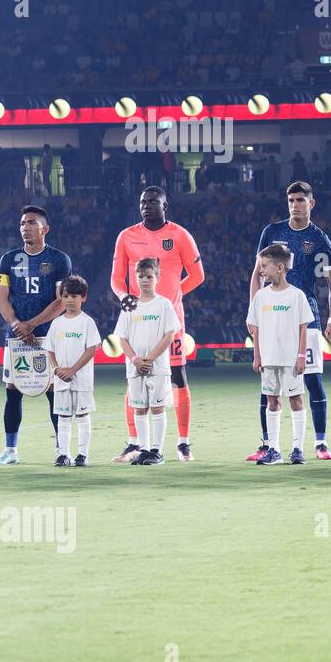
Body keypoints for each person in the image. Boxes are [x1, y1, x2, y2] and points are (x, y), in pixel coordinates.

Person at [247, 182, 331, 461]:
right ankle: (268, 445)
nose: (294, 204)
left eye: (301, 200)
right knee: (269, 382)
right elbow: (256, 274)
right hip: (271, 316)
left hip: (305, 316)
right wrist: (253, 314)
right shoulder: (272, 232)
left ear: (312, 203)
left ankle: (320, 443)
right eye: (291, 200)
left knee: (311, 380)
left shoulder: (320, 240)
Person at [110, 187, 205, 462]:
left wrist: (172, 298)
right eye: (143, 202)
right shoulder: (126, 236)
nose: (147, 206)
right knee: (135, 376)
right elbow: (116, 279)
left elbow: (198, 275)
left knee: (177, 377)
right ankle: (133, 443)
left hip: (168, 320)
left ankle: (183, 442)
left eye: (153, 202)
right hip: (137, 320)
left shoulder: (179, 235)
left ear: (166, 205)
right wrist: (124, 296)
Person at [0, 204, 71, 466]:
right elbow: (1, 299)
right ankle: (10, 451)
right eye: (23, 223)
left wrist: (32, 325)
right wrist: (17, 324)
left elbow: (61, 301)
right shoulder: (7, 259)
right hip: (16, 337)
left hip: (48, 336)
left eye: (31, 223)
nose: (25, 227)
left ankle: (62, 450)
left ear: (45, 228)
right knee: (12, 391)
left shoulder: (60, 259)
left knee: (52, 391)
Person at [246, 244, 313, 466]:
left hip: (290, 359)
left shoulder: (297, 296)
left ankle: (298, 449)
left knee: (296, 399)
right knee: (271, 401)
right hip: (268, 358)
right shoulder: (261, 297)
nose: (261, 270)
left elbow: (304, 327)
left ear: (280, 267)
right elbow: (255, 329)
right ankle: (274, 449)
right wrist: (257, 356)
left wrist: (302, 355)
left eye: (265, 266)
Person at [116, 258, 180, 466]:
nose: (144, 280)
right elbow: (122, 338)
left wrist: (149, 359)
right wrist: (135, 359)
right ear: (135, 278)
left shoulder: (164, 304)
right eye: (141, 276)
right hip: (135, 368)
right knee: (139, 409)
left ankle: (157, 451)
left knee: (157, 408)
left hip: (158, 367)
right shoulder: (129, 305)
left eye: (149, 276)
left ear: (157, 278)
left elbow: (169, 335)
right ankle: (143, 450)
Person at [43, 275, 101, 468]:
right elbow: (49, 348)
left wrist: (72, 370)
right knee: (64, 417)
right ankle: (63, 455)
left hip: (82, 380)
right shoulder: (57, 323)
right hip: (61, 380)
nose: (69, 299)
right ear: (61, 297)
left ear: (83, 297)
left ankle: (82, 455)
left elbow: (91, 349)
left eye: (74, 296)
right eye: (66, 295)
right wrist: (57, 368)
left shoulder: (87, 322)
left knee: (83, 417)